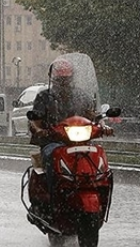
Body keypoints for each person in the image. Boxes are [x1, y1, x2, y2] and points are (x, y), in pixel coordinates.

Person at [29, 58, 111, 196]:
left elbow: (93, 115)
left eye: (66, 79)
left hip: (82, 141)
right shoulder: (44, 97)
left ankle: (100, 189)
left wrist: (103, 126)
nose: (64, 83)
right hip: (53, 141)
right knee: (50, 155)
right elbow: (35, 120)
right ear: (53, 78)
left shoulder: (82, 96)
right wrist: (39, 130)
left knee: (98, 154)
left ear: (72, 78)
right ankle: (52, 192)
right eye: (60, 79)